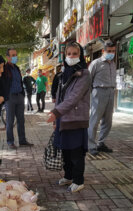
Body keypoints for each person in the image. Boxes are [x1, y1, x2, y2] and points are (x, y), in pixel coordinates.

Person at [46, 41, 91, 193]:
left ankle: (79, 180)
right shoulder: (63, 74)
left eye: (75, 54)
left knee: (76, 153)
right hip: (63, 119)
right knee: (65, 151)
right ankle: (69, 176)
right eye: (69, 54)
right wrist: (56, 118)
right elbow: (60, 97)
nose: (71, 56)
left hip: (76, 119)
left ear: (81, 55)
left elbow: (74, 98)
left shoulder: (84, 74)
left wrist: (56, 113)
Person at [87, 40, 117, 156]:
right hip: (98, 92)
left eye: (113, 51)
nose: (111, 53)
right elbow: (88, 80)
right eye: (109, 51)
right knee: (94, 121)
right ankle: (91, 145)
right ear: (103, 51)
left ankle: (101, 143)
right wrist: (88, 96)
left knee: (108, 121)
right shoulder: (96, 63)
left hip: (110, 92)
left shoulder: (113, 64)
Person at [2, 48, 33, 149]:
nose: (15, 57)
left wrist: (22, 94)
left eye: (16, 55)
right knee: (10, 121)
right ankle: (10, 141)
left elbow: (19, 81)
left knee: (21, 120)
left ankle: (22, 140)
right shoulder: (4, 68)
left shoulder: (17, 68)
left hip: (19, 96)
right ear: (8, 57)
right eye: (13, 55)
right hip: (10, 97)